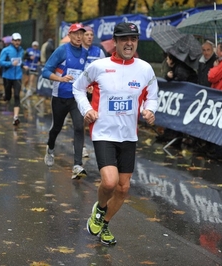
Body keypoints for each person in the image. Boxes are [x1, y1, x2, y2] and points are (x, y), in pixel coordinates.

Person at [73, 22, 158, 245]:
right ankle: (99, 210)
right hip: (103, 132)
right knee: (109, 183)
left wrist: (150, 110)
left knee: (123, 188)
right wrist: (87, 109)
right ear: (116, 42)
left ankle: (105, 224)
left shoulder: (145, 68)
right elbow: (77, 88)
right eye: (124, 39)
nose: (129, 43)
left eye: (133, 39)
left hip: (129, 135)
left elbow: (152, 94)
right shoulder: (99, 66)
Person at [42, 23, 88, 179]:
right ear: (69, 35)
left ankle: (77, 165)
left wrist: (88, 86)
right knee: (56, 127)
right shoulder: (62, 50)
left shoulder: (85, 53)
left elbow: (84, 74)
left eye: (81, 33)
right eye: (75, 34)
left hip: (77, 97)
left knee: (79, 127)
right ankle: (50, 148)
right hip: (60, 96)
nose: (79, 37)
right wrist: (60, 78)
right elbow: (45, 71)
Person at [81, 26, 106, 158]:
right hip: (81, 90)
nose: (90, 37)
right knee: (81, 119)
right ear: (81, 37)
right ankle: (82, 146)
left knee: (95, 118)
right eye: (87, 35)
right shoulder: (77, 51)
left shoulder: (99, 52)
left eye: (91, 35)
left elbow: (104, 71)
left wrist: (94, 85)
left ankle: (100, 147)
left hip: (95, 90)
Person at [0, 32, 27, 125]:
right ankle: (5, 96)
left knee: (17, 96)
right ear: (12, 41)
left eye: (18, 40)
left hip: (18, 76)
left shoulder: (22, 51)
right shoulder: (6, 50)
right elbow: (0, 62)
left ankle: (15, 117)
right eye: (15, 40)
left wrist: (23, 66)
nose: (17, 42)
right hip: (7, 76)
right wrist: (10, 63)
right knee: (8, 96)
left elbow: (19, 61)